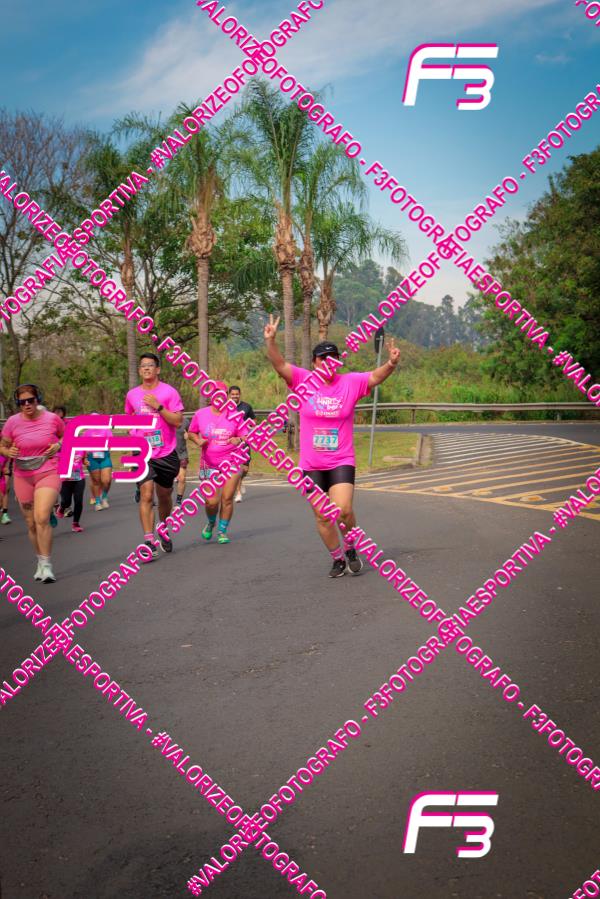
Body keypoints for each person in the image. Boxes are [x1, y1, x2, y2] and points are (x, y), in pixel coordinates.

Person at [264, 314, 400, 578]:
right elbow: (279, 364)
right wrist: (271, 341)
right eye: (322, 358)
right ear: (314, 362)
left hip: (341, 460)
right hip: (311, 464)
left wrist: (391, 363)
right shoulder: (303, 380)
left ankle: (350, 547)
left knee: (343, 510)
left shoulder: (350, 382)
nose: (328, 362)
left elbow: (375, 376)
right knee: (322, 516)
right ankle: (337, 558)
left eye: (333, 358)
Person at [0, 384, 65, 582]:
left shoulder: (52, 419)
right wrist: (7, 451)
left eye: (31, 400)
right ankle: (40, 560)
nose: (27, 404)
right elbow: (3, 445)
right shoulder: (12, 422)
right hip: (23, 475)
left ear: (38, 400)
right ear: (18, 404)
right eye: (22, 402)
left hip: (48, 470)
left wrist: (59, 445)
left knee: (41, 517)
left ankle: (47, 565)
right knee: (31, 523)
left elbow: (66, 436)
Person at [125, 352, 184, 558]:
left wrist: (158, 406)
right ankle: (149, 541)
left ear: (157, 369)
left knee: (164, 495)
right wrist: (133, 432)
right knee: (147, 494)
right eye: (143, 366)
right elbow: (129, 417)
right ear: (139, 370)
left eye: (150, 365)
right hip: (142, 451)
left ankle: (163, 527)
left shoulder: (169, 392)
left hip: (165, 452)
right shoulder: (132, 395)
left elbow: (177, 421)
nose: (146, 368)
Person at [188, 382, 246, 545]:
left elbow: (246, 435)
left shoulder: (235, 414)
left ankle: (222, 530)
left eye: (221, 393)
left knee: (227, 498)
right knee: (211, 502)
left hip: (232, 461)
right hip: (209, 464)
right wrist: (197, 440)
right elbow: (191, 432)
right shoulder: (200, 414)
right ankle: (211, 522)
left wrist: (239, 439)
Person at [227, 385, 254, 503]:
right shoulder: (225, 408)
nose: (235, 396)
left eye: (236, 394)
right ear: (229, 395)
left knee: (245, 468)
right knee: (237, 466)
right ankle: (238, 493)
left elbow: (253, 421)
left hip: (244, 440)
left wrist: (248, 426)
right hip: (232, 441)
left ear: (240, 394)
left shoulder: (246, 407)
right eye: (232, 394)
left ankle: (240, 480)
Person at [56, 449, 87, 533]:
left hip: (79, 478)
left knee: (78, 501)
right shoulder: (60, 448)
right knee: (66, 501)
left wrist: (86, 462)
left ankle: (75, 524)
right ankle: (62, 508)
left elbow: (84, 458)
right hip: (64, 479)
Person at [86, 415, 113, 511]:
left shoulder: (106, 429)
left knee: (107, 480)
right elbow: (83, 445)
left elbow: (111, 441)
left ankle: (104, 497)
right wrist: (85, 458)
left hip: (104, 457)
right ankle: (97, 502)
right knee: (96, 481)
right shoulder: (87, 432)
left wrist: (108, 449)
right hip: (92, 458)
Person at [175, 419, 190, 506]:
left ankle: (178, 501)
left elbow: (193, 433)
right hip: (167, 455)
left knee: (182, 478)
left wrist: (188, 435)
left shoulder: (185, 422)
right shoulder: (164, 420)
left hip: (182, 454)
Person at [0, 452, 10, 524]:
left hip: (2, 477)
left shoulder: (4, 453)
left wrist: (6, 469)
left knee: (4, 492)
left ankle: (4, 514)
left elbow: (7, 466)